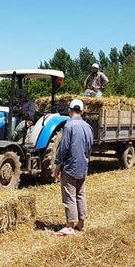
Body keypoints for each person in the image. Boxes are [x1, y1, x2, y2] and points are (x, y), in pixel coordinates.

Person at [52, 99, 94, 237]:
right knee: (80, 194)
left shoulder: (69, 126)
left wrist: (57, 169)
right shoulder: (88, 127)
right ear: (81, 111)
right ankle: (81, 224)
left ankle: (69, 226)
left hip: (70, 166)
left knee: (69, 196)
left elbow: (63, 149)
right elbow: (89, 147)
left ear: (70, 110)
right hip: (83, 165)